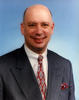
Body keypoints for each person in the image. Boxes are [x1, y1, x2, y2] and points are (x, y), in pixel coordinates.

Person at [0, 4, 75, 100]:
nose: (39, 31)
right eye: (32, 25)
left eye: (44, 25)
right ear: (22, 29)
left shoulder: (65, 65)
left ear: (52, 28)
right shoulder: (2, 67)